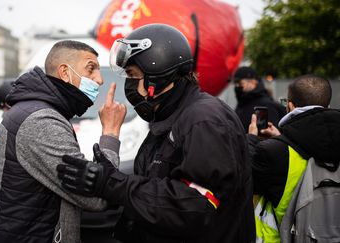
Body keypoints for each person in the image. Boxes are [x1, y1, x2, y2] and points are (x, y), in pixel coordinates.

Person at [57, 24, 255, 242]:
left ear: (158, 75)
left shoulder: (203, 120)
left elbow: (195, 205)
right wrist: (108, 174)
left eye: (133, 75)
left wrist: (112, 184)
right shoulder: (171, 118)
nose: (129, 85)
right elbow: (157, 181)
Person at [0, 40, 126, 243]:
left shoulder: (36, 109)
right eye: (91, 69)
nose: (100, 79)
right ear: (65, 72)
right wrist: (110, 133)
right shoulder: (41, 121)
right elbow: (95, 197)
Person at [247, 74, 340, 242]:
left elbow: (245, 183)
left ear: (290, 105)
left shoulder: (272, 151)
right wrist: (281, 137)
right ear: (326, 104)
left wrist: (252, 139)